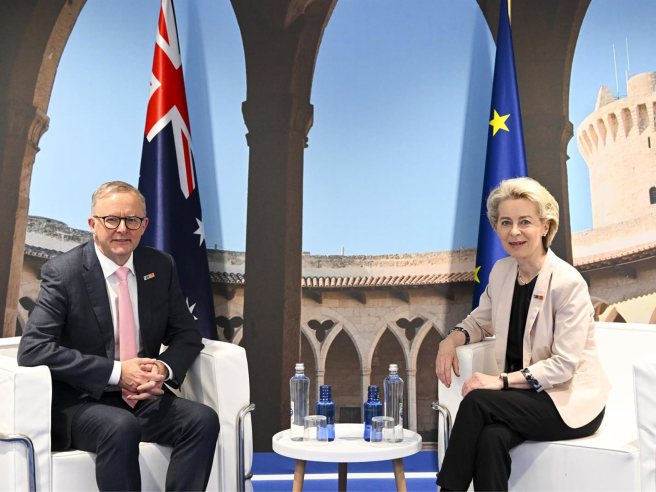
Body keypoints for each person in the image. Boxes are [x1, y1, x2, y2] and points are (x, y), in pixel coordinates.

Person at [18, 181, 220, 491]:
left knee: (202, 419)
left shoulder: (160, 266)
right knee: (120, 426)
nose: (122, 229)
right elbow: (33, 349)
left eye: (132, 220)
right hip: (80, 401)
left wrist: (162, 369)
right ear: (93, 224)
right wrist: (116, 372)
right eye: (111, 219)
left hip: (143, 398)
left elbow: (187, 335)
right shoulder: (64, 272)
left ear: (144, 225)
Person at [435, 177, 611, 492]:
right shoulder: (502, 272)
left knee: (477, 402)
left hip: (568, 403)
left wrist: (499, 381)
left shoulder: (567, 283)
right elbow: (478, 322)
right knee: (491, 437)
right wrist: (450, 340)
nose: (514, 231)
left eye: (525, 222)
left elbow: (564, 365)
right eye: (506, 222)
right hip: (522, 399)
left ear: (545, 227)